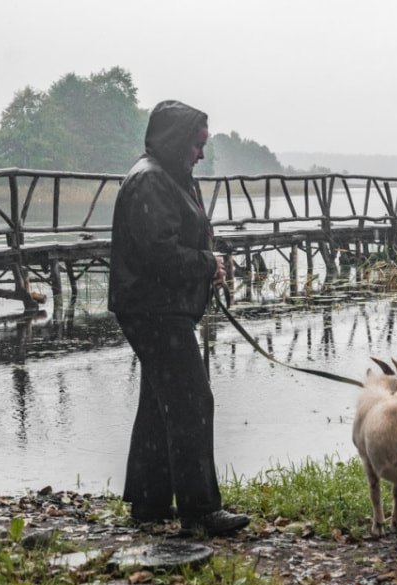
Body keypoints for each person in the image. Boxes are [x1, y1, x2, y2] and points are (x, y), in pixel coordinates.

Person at [108, 100, 249, 536]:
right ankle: (200, 510)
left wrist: (207, 262)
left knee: (158, 402)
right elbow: (161, 254)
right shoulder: (151, 180)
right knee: (192, 401)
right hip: (154, 310)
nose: (201, 154)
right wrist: (208, 265)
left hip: (155, 307)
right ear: (176, 141)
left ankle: (149, 502)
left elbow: (178, 239)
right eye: (196, 144)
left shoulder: (168, 176)